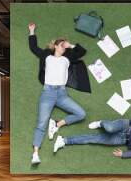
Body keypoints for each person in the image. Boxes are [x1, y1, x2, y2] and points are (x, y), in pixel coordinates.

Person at [28, 23, 88, 164]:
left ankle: (56, 124)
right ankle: (35, 154)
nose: (63, 47)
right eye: (61, 44)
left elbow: (82, 51)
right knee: (41, 124)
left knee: (81, 114)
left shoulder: (68, 58)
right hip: (48, 93)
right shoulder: (46, 56)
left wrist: (70, 45)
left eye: (64, 45)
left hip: (62, 94)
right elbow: (33, 48)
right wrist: (32, 31)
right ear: (55, 46)